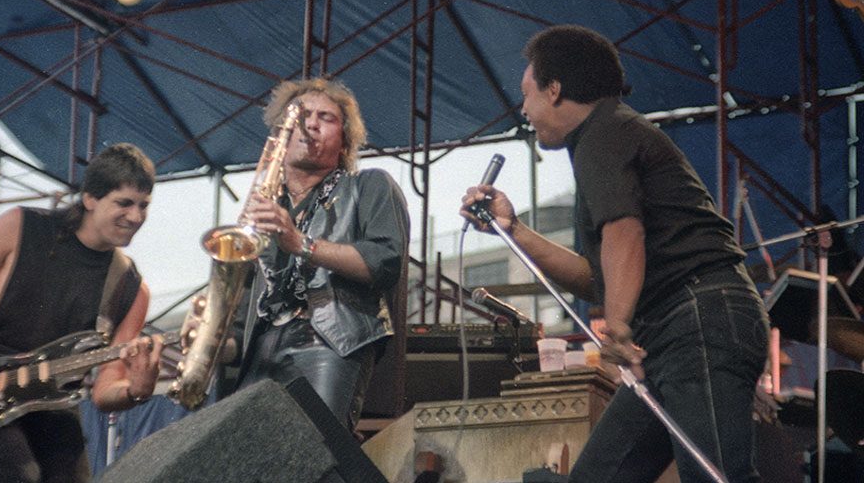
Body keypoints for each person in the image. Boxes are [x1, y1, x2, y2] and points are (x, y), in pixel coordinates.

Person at [460, 25, 769, 482]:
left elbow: (626, 233)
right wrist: (515, 230)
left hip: (698, 320)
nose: (524, 110)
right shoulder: (605, 136)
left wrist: (618, 327)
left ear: (555, 90)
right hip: (673, 332)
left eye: (527, 94)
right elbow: (599, 278)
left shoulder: (604, 131)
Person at [0, 142, 164, 483]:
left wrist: (136, 389)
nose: (136, 217)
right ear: (90, 199)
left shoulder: (132, 289)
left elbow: (104, 392)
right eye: (124, 203)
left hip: (56, 405)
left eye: (143, 206)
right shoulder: (20, 225)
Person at [235, 76, 409, 430]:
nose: (311, 124)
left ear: (345, 140)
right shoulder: (265, 205)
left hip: (329, 341)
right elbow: (243, 308)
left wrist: (300, 242)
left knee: (317, 452)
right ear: (282, 134)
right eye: (301, 117)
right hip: (262, 345)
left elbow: (384, 263)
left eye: (325, 118)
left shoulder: (369, 185)